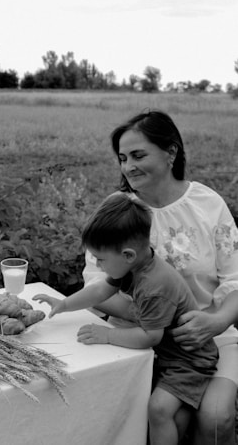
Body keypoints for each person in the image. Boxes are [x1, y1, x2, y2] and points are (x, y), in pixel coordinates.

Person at [81, 110, 238, 445]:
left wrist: (219, 319)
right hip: (138, 336)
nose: (128, 167)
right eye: (123, 158)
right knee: (161, 418)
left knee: (215, 418)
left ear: (171, 153)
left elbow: (235, 278)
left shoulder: (207, 203)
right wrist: (149, 314)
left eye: (139, 155)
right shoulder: (119, 211)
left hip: (209, 336)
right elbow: (95, 283)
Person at [34, 193, 219, 445]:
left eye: (101, 259)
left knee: (158, 410)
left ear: (128, 255)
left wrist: (107, 335)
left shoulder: (155, 285)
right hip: (170, 353)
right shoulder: (132, 265)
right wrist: (65, 303)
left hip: (190, 360)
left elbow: (149, 336)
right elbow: (100, 290)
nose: (98, 265)